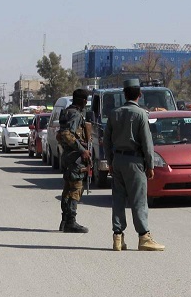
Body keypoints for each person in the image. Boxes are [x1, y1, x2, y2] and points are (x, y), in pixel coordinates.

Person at [103, 78, 165, 251]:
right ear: (140, 94)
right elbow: (147, 142)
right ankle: (144, 236)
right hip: (135, 161)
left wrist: (110, 162)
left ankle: (117, 237)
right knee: (138, 200)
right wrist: (150, 165)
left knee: (118, 200)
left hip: (118, 160)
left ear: (124, 94)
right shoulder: (140, 114)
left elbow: (106, 141)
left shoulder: (114, 113)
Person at [57, 88, 92, 233]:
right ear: (83, 101)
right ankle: (70, 222)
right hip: (75, 157)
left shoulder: (66, 112)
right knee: (76, 188)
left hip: (68, 155)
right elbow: (66, 134)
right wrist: (82, 150)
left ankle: (65, 221)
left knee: (68, 188)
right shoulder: (75, 115)